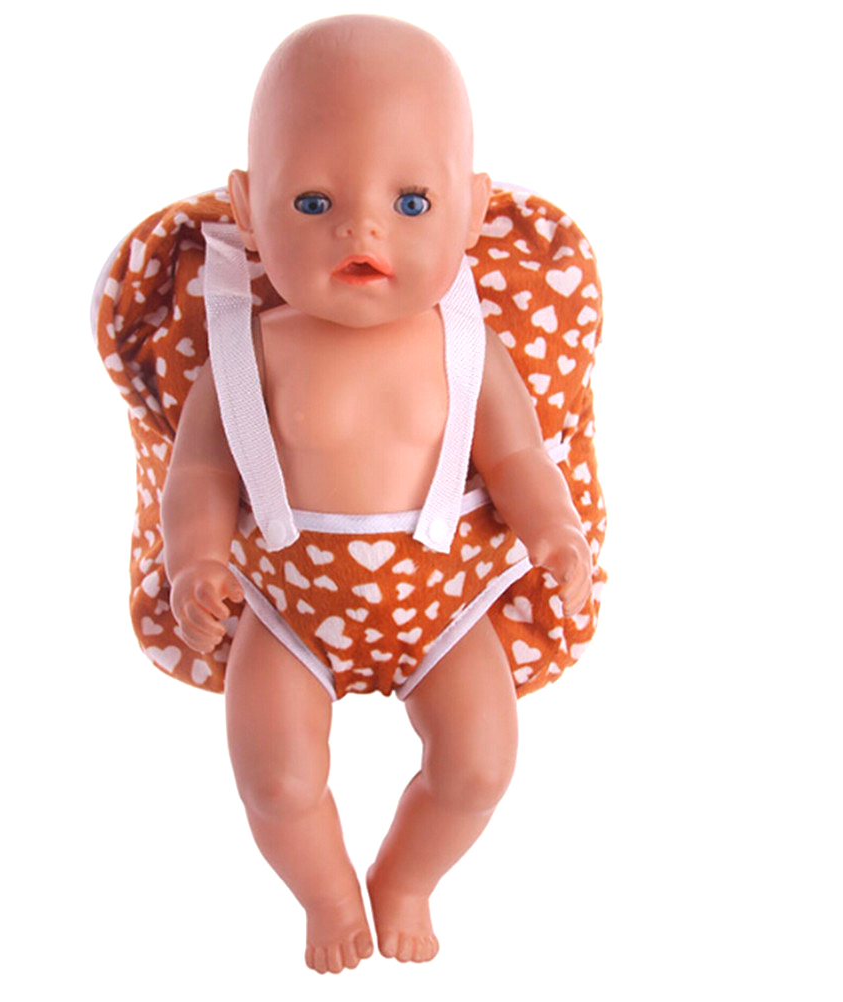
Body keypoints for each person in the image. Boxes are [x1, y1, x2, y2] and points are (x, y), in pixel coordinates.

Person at [160, 15, 593, 974]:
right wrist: (194, 560)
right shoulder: (247, 350)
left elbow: (520, 456)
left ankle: (406, 878)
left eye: (412, 200)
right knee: (274, 780)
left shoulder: (469, 347)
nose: (362, 228)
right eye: (313, 201)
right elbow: (200, 474)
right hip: (287, 606)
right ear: (248, 207)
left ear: (473, 211)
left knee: (480, 765)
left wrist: (555, 528)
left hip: (443, 601)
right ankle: (325, 895)